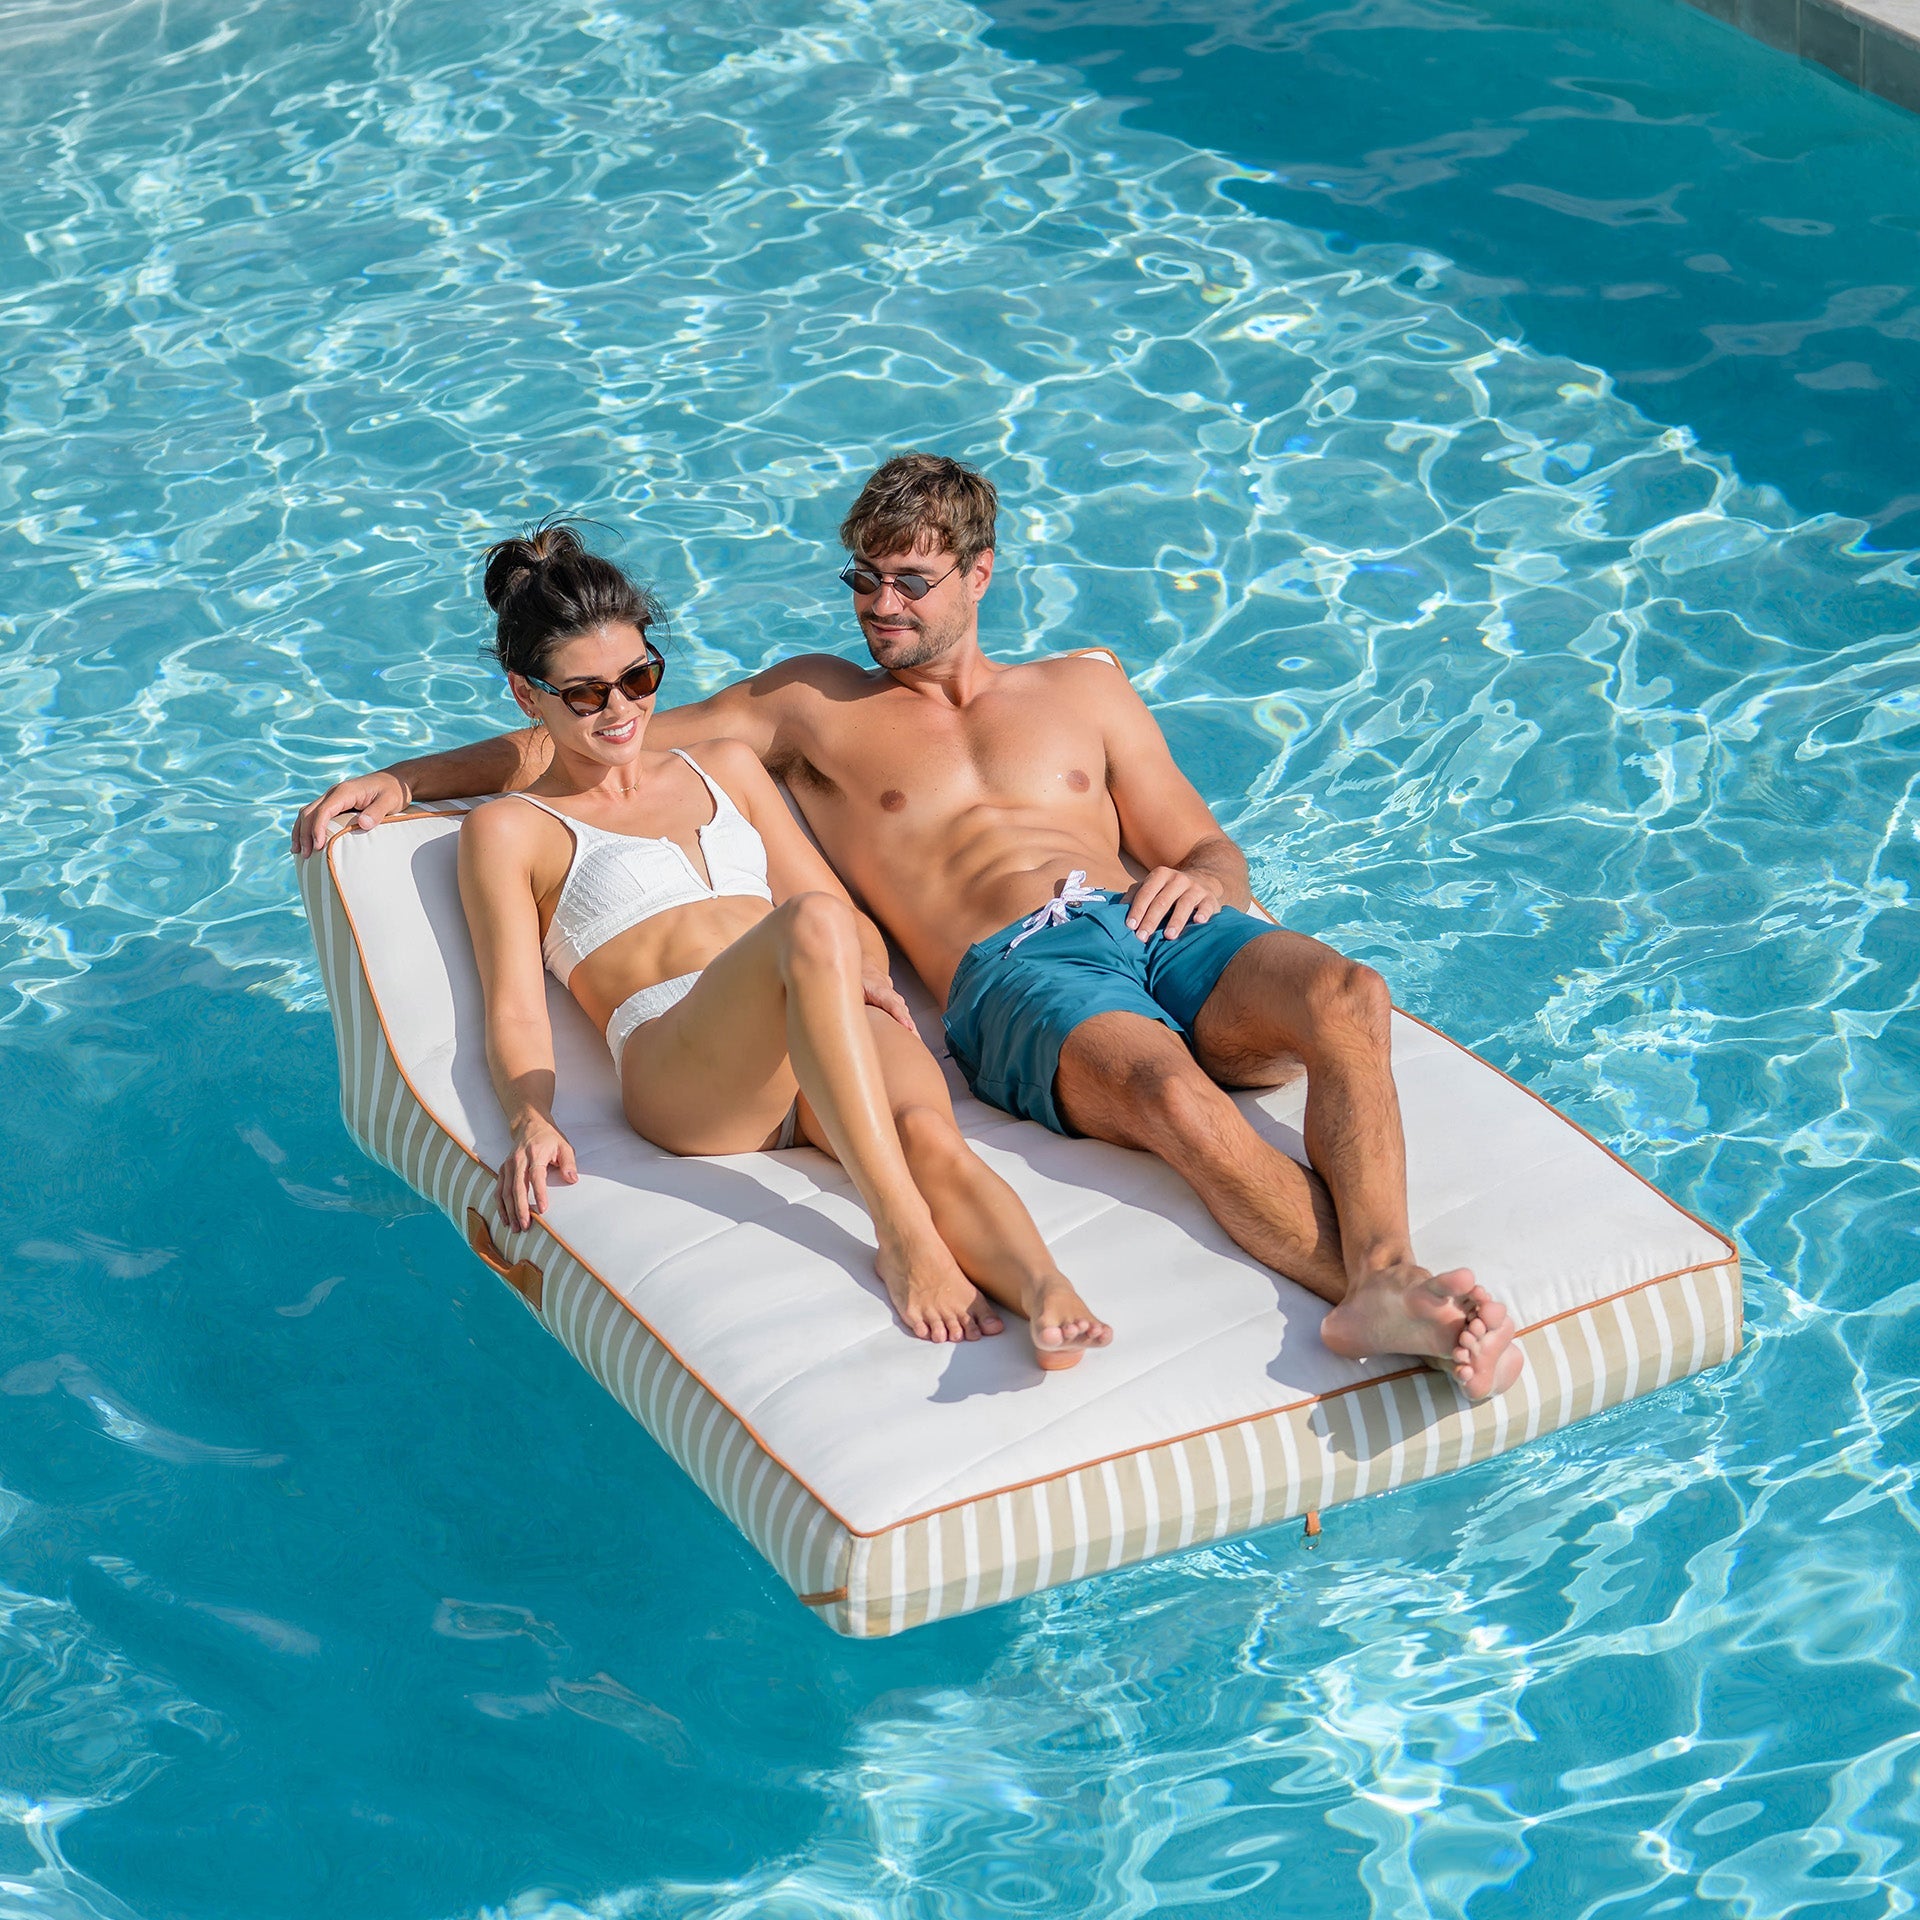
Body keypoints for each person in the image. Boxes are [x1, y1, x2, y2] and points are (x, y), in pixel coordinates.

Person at [297, 459, 1522, 1400]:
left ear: (980, 577)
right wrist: (409, 780)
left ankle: (1386, 1275)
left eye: (908, 582)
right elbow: (588, 732)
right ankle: (1384, 1294)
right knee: (1173, 1099)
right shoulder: (809, 705)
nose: (878, 606)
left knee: (1349, 995)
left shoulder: (1082, 690)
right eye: (863, 581)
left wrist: (1204, 874)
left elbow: (1202, 842)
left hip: (1152, 921)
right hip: (1016, 973)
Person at [448, 523, 1109, 1371]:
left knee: (932, 1139)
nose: (622, 712)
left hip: (813, 1014)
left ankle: (1049, 1294)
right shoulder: (510, 828)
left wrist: (864, 979)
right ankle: (902, 1237)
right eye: (585, 695)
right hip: (687, 1066)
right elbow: (511, 1001)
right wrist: (529, 1117)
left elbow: (833, 910)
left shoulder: (725, 764)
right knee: (812, 925)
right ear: (526, 695)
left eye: (640, 678)